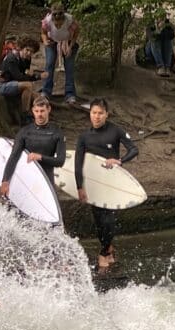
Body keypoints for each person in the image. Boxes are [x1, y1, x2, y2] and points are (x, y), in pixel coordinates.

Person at [74, 98, 138, 271]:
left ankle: (103, 253)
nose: (96, 116)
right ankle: (108, 249)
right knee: (98, 220)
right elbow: (77, 164)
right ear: (90, 114)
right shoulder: (84, 137)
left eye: (100, 113)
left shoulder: (115, 130)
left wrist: (120, 161)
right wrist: (80, 187)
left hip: (111, 182)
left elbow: (134, 150)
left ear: (106, 114)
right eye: (94, 113)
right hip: (94, 184)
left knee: (108, 218)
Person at [0, 95, 65, 199]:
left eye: (42, 111)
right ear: (33, 111)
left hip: (46, 182)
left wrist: (40, 157)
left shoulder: (56, 132)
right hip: (26, 180)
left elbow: (60, 161)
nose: (39, 114)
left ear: (49, 109)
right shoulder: (25, 132)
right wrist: (5, 180)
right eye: (37, 111)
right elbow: (14, 157)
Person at [40, 4, 80, 105]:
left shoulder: (70, 20)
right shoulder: (47, 21)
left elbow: (77, 31)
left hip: (68, 42)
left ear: (64, 13)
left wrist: (70, 46)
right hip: (52, 42)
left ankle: (70, 94)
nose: (57, 16)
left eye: (60, 14)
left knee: (69, 67)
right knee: (49, 65)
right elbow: (43, 32)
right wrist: (45, 41)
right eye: (55, 14)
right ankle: (46, 91)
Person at [0, 38, 40, 126]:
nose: (28, 53)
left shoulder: (27, 59)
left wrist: (30, 76)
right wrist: (35, 76)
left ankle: (38, 117)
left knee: (38, 96)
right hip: (3, 85)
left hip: (15, 84)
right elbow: (19, 77)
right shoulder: (12, 58)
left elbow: (25, 74)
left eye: (31, 52)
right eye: (27, 50)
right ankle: (25, 116)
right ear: (21, 48)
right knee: (28, 85)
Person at [144, 12, 175, 76]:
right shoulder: (151, 24)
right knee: (155, 40)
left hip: (164, 53)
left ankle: (167, 67)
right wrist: (158, 29)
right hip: (151, 51)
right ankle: (161, 66)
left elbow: (172, 36)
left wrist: (165, 28)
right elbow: (151, 37)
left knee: (168, 40)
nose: (160, 19)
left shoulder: (168, 25)